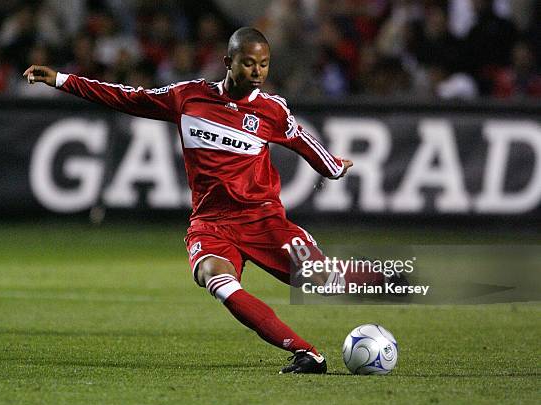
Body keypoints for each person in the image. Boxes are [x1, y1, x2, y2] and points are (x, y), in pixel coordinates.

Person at [23, 27, 354, 374]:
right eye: (249, 64)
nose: (257, 72)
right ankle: (307, 354)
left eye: (264, 65)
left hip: (262, 220)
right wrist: (61, 79)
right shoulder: (188, 97)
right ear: (228, 62)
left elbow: (303, 141)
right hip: (211, 225)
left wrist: (333, 168)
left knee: (328, 282)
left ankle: (395, 279)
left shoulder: (271, 111)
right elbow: (127, 97)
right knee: (217, 281)